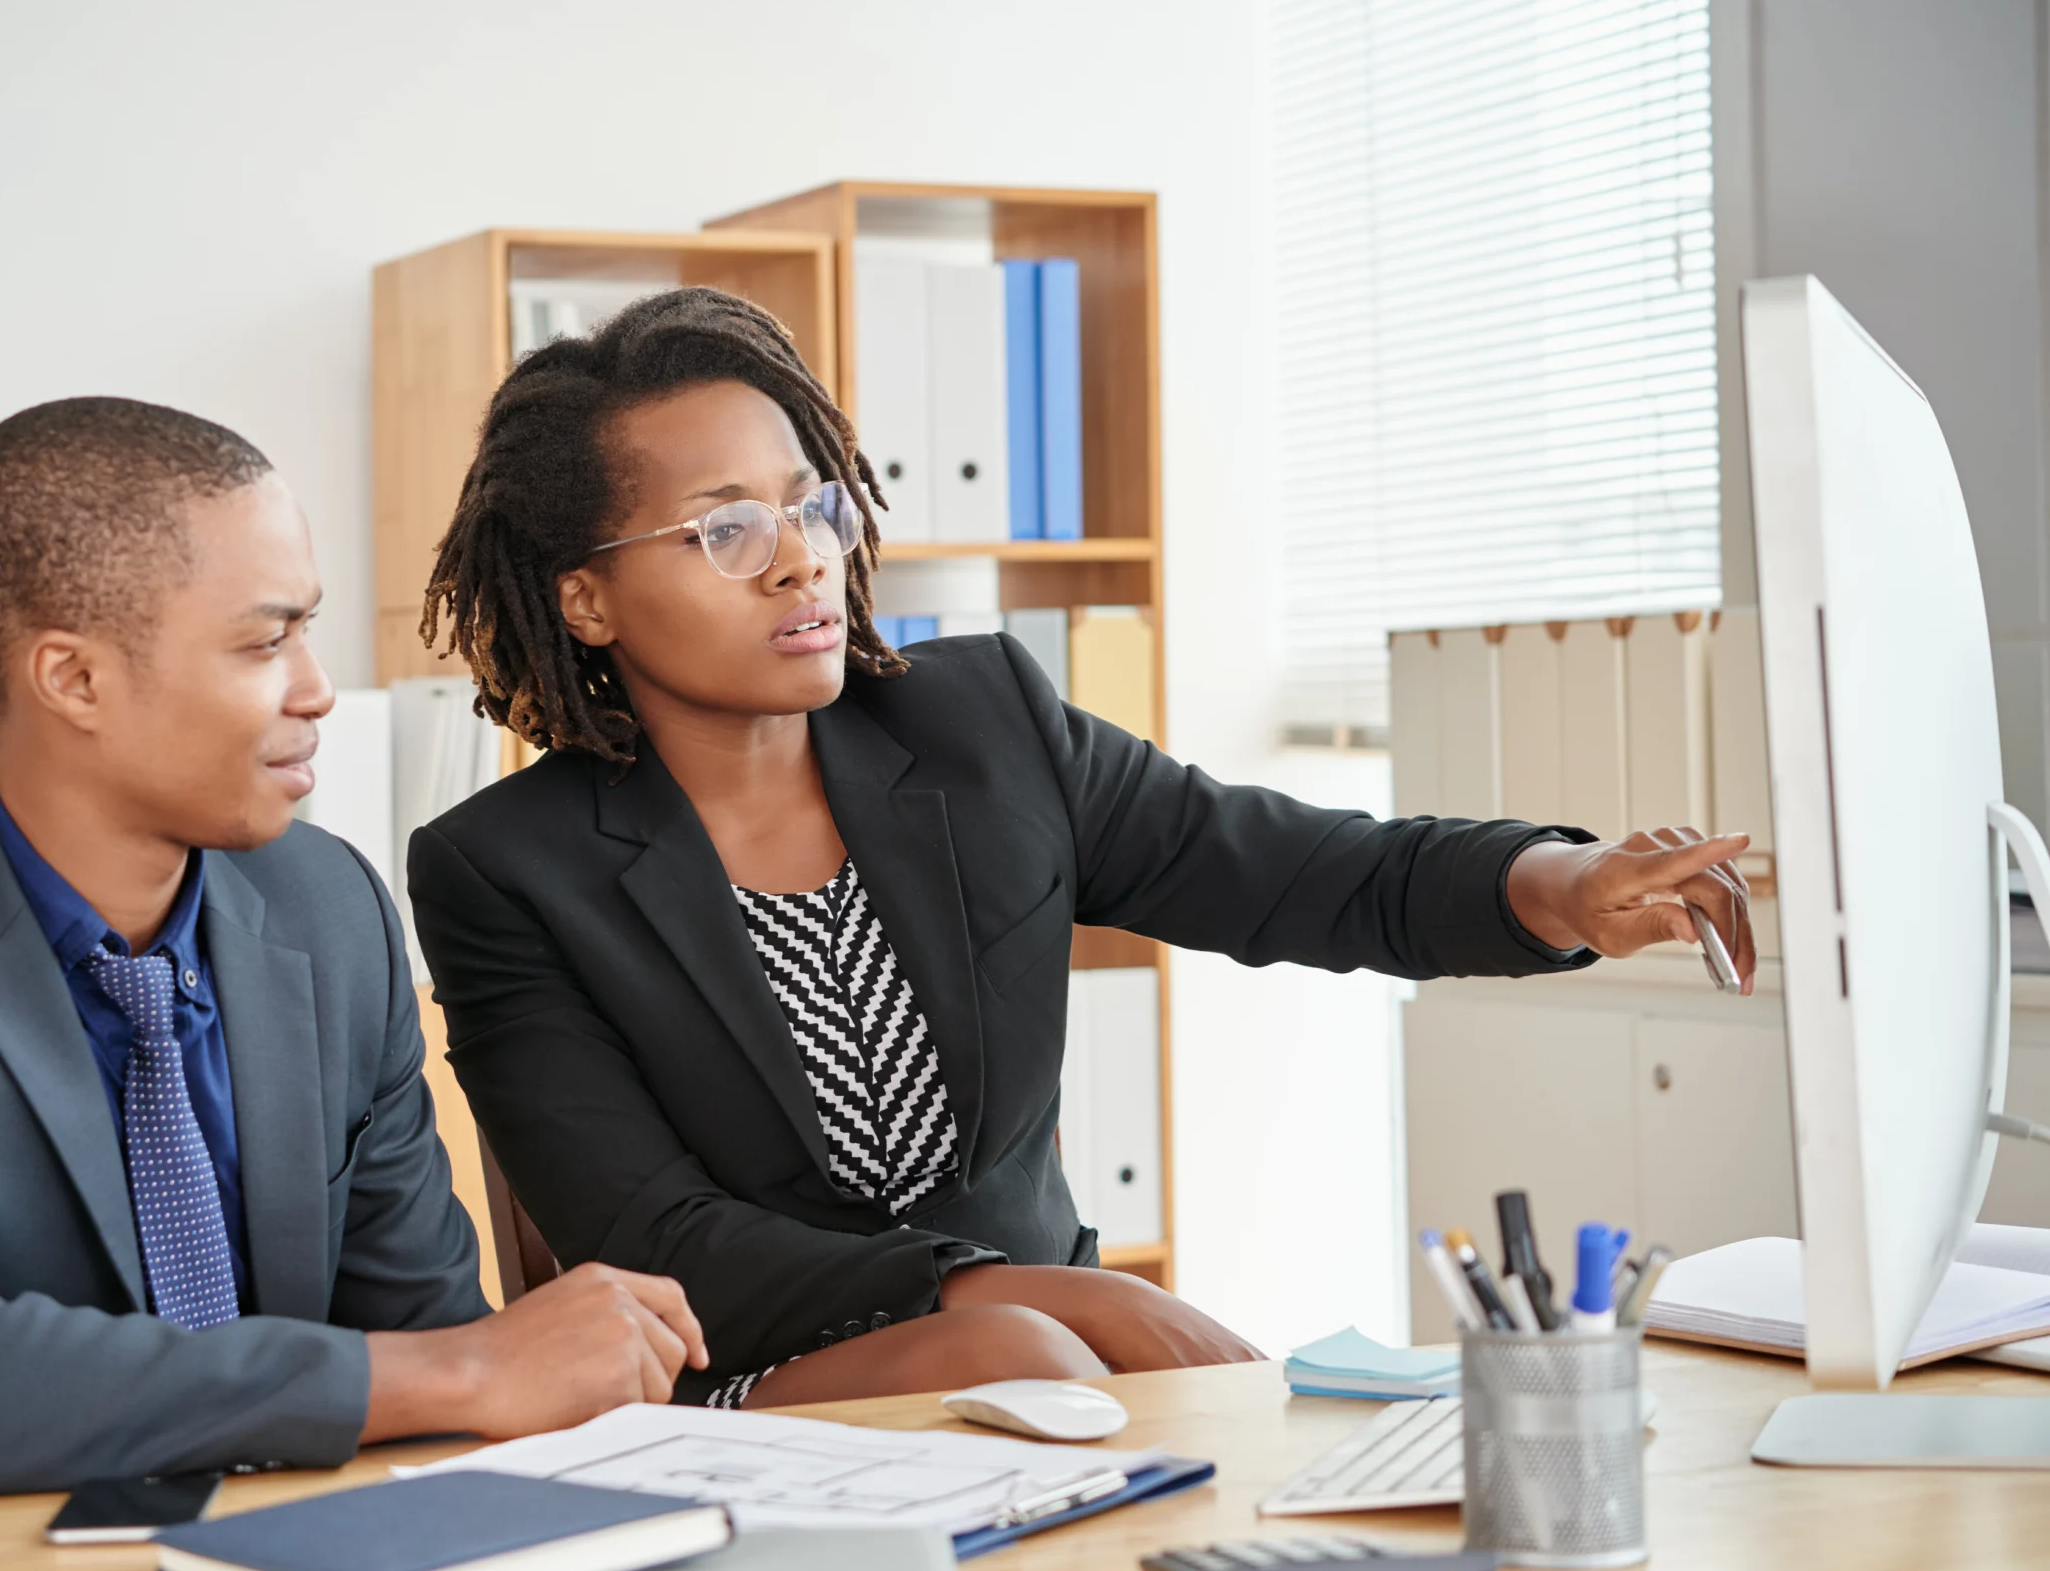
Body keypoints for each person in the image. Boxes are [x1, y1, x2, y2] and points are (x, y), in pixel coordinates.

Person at [406, 287, 1754, 1410]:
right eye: (725, 530)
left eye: (811, 505)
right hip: (756, 1383)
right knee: (1030, 1353)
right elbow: (653, 1241)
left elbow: (1299, 869)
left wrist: (1566, 883)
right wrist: (1019, 1292)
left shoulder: (982, 725)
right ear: (585, 597)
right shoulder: (505, 870)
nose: (800, 560)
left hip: (1066, 1352)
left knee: (1117, 1391)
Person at [0, 399, 704, 1571]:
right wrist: (459, 1369)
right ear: (74, 676)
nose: (317, 689)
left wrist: (488, 1375)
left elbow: (420, 1328)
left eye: (306, 628)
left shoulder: (327, 908)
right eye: (265, 643)